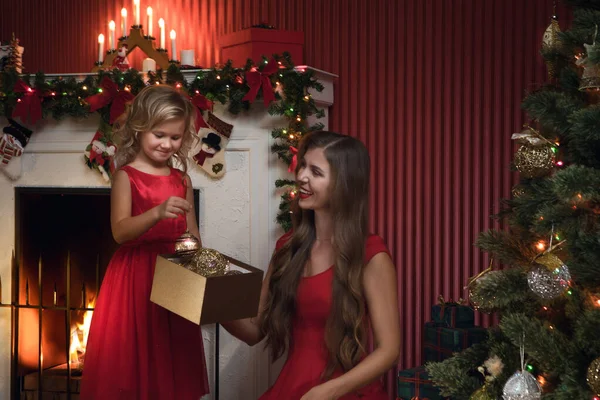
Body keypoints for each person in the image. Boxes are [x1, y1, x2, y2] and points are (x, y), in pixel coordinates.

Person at [222, 131, 400, 400]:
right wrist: (213, 303)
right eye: (303, 165)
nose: (302, 176)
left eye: (316, 171)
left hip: (344, 392)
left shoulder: (371, 254)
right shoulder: (287, 246)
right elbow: (254, 331)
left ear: (344, 184)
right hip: (292, 388)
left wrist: (329, 391)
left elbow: (390, 350)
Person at [80, 85, 209, 400]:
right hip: (135, 279)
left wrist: (195, 252)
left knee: (173, 357)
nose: (167, 144)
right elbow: (120, 232)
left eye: (175, 138)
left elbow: (193, 234)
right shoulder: (126, 176)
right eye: (159, 135)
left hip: (174, 277)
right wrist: (158, 213)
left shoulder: (182, 180)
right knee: (134, 361)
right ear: (139, 129)